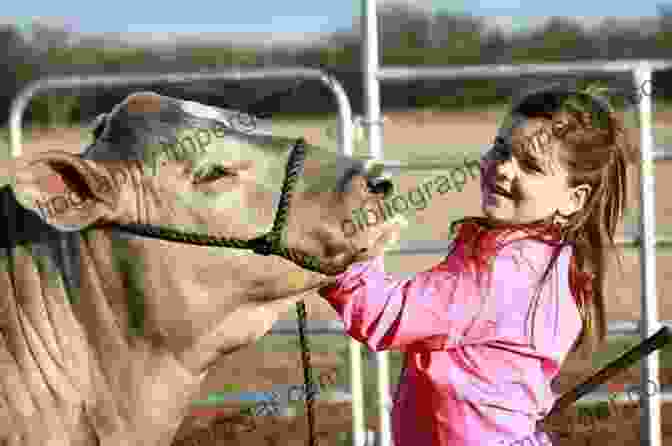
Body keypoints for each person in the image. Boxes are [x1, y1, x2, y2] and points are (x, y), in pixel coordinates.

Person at [318, 84, 638, 446]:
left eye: (530, 166)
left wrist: (336, 249)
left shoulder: (503, 269)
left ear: (573, 200)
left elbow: (381, 313)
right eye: (502, 148)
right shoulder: (555, 260)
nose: (503, 168)